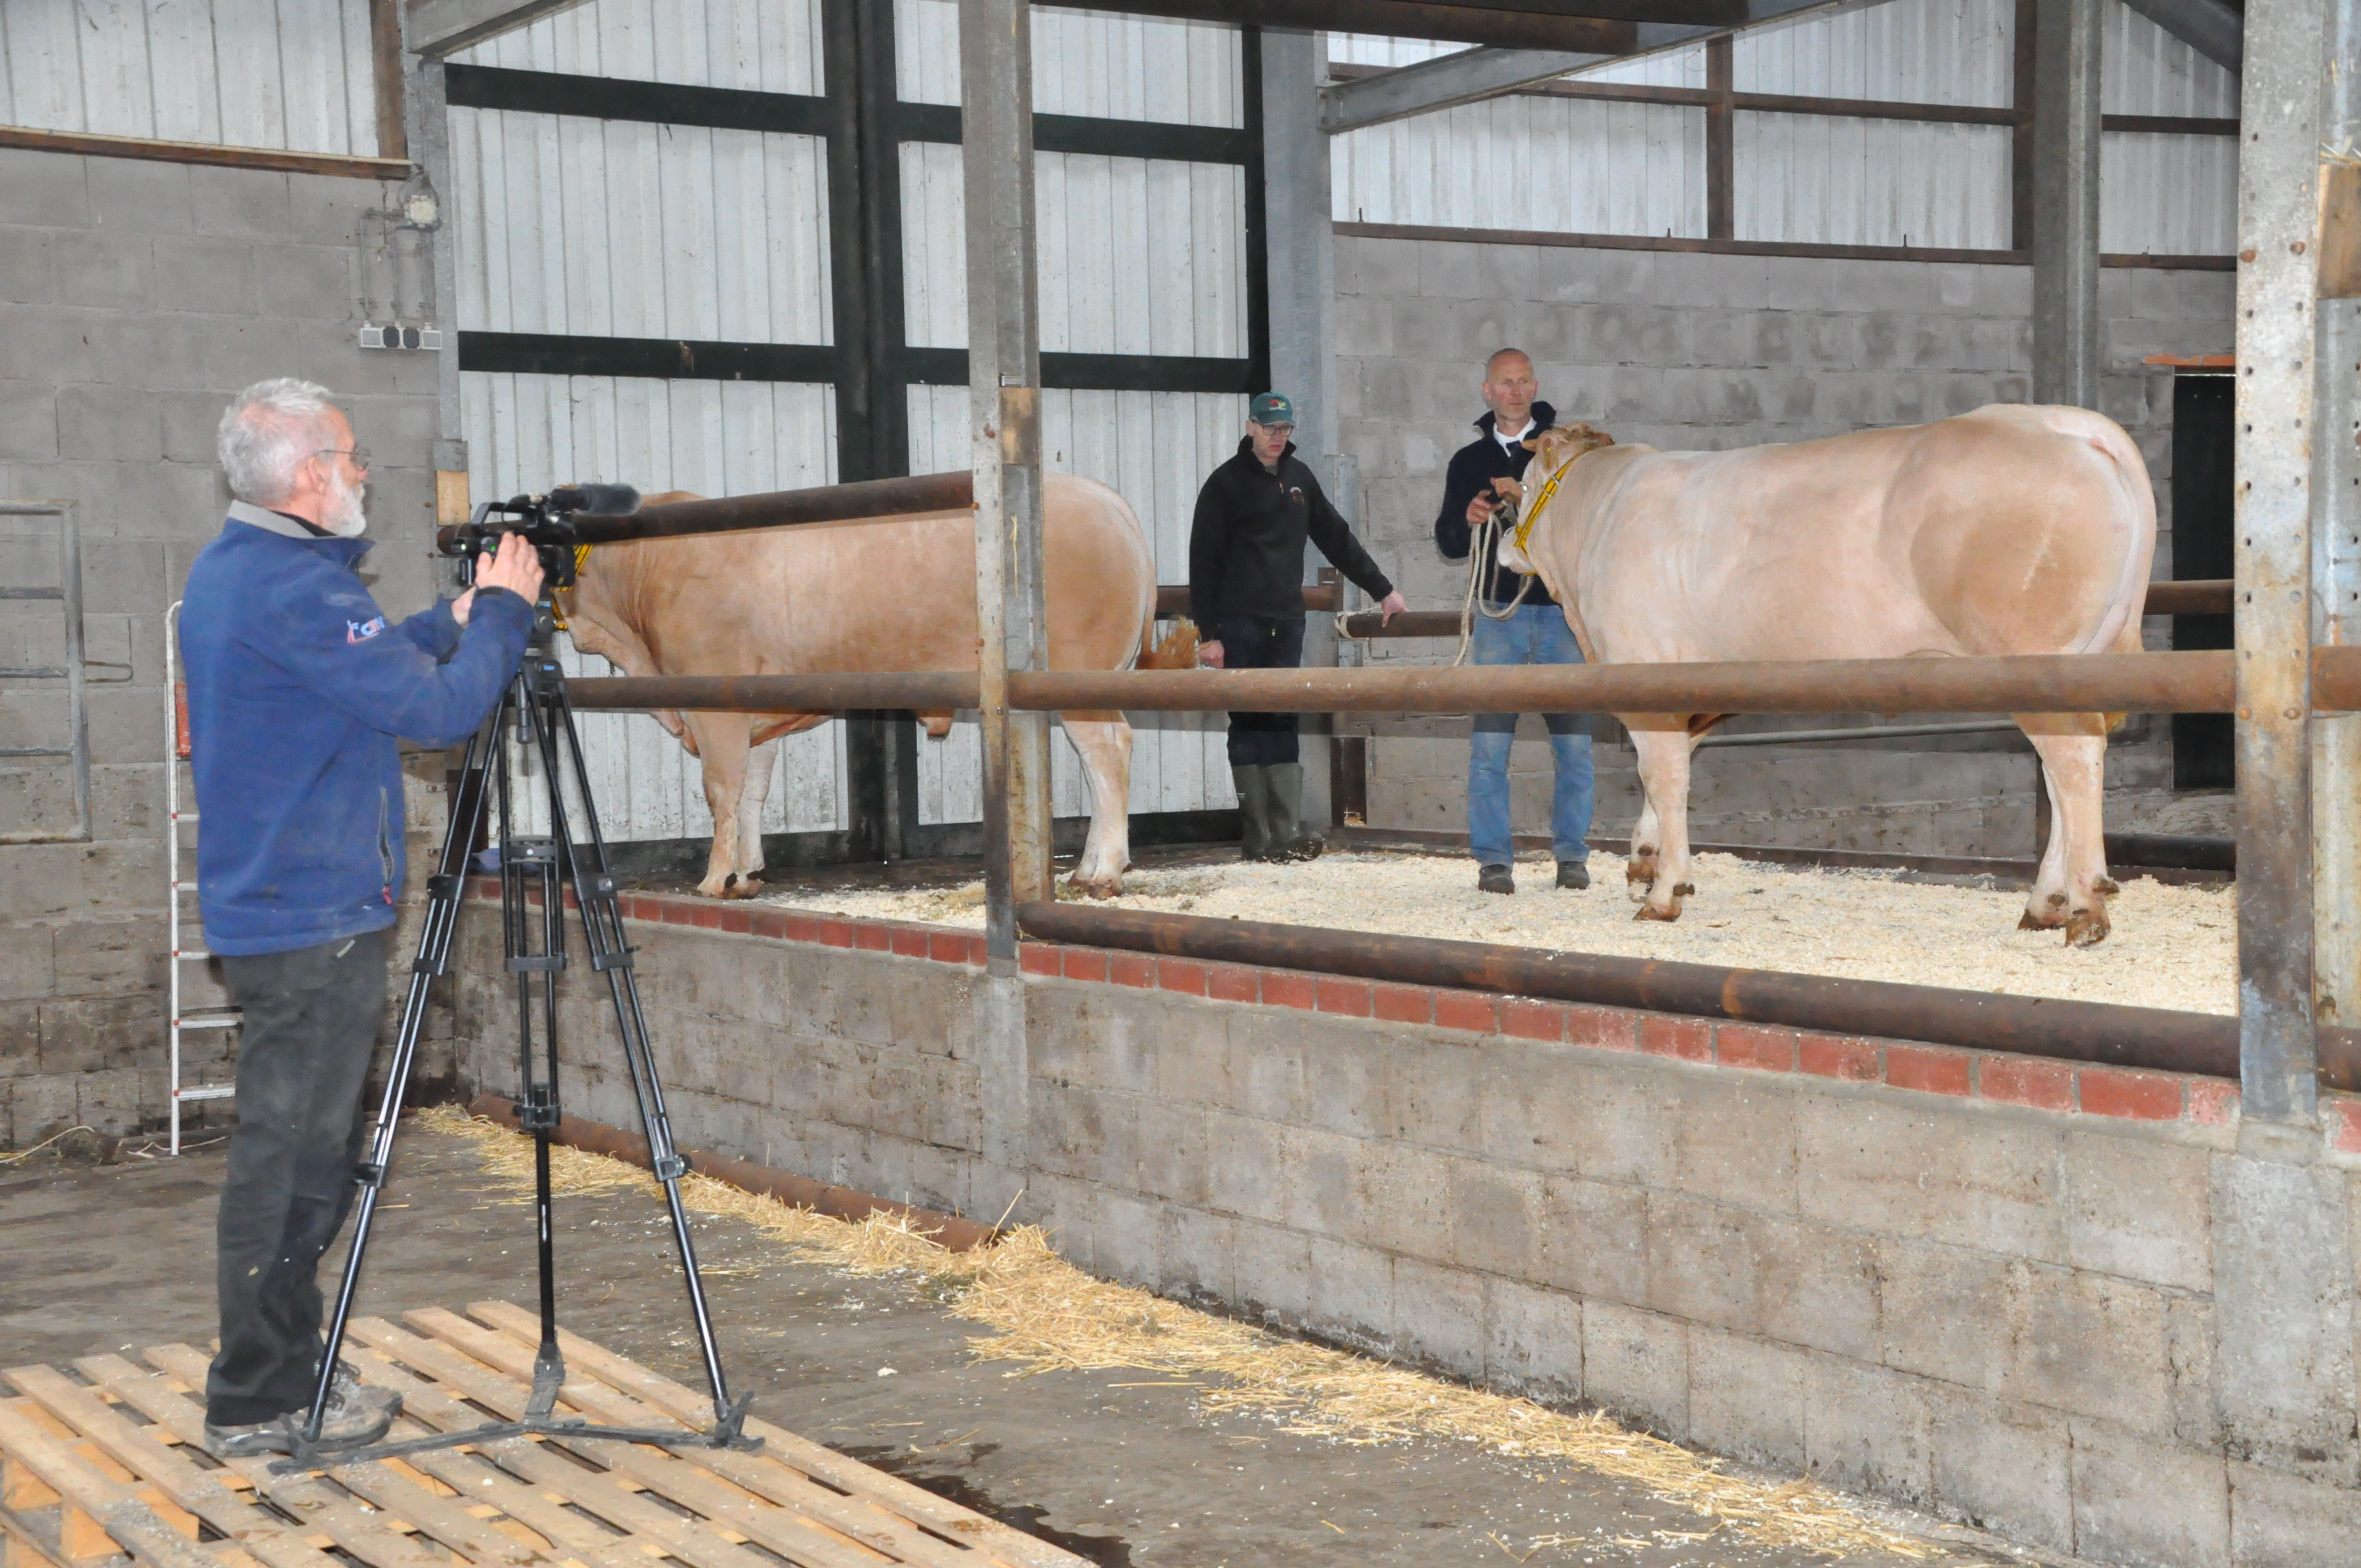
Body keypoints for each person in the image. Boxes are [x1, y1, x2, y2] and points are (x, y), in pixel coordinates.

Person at [180, 378, 545, 1457]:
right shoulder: (296, 588)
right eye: (350, 455)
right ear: (305, 477)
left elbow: (362, 667)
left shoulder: (244, 571)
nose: (364, 473)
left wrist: (451, 620)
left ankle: (285, 1363)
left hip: (289, 909)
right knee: (294, 1160)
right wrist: (511, 612)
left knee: (307, 1155)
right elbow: (436, 708)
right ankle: (256, 1396)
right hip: (309, 920)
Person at [1189, 393, 1406, 861]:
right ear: (1250, 428)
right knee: (1247, 718)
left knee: (1284, 714)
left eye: (1284, 429)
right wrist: (1209, 634)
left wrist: (1382, 589)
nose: (1277, 437)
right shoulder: (1224, 484)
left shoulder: (1299, 479)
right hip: (1239, 619)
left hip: (1287, 620)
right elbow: (1202, 562)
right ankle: (1257, 836)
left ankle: (1284, 832)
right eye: (1269, 428)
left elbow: (1336, 537)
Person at [1433, 349, 1595, 895]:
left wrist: (1523, 496)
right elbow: (1449, 543)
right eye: (1505, 383)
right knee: (1489, 749)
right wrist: (1470, 517)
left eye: (1524, 380)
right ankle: (1493, 862)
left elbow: (1579, 527)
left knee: (1574, 747)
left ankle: (1572, 856)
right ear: (1487, 391)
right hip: (1498, 616)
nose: (1515, 390)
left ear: (1535, 385)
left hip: (1558, 614)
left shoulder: (1567, 455)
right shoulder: (1467, 461)